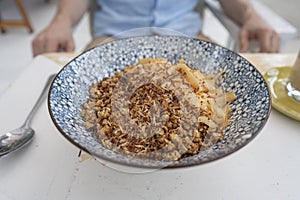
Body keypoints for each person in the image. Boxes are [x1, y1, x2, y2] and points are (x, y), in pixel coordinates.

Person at [32, 0, 281, 57]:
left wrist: (251, 15)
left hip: (190, 38)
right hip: (113, 40)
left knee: (220, 102)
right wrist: (61, 21)